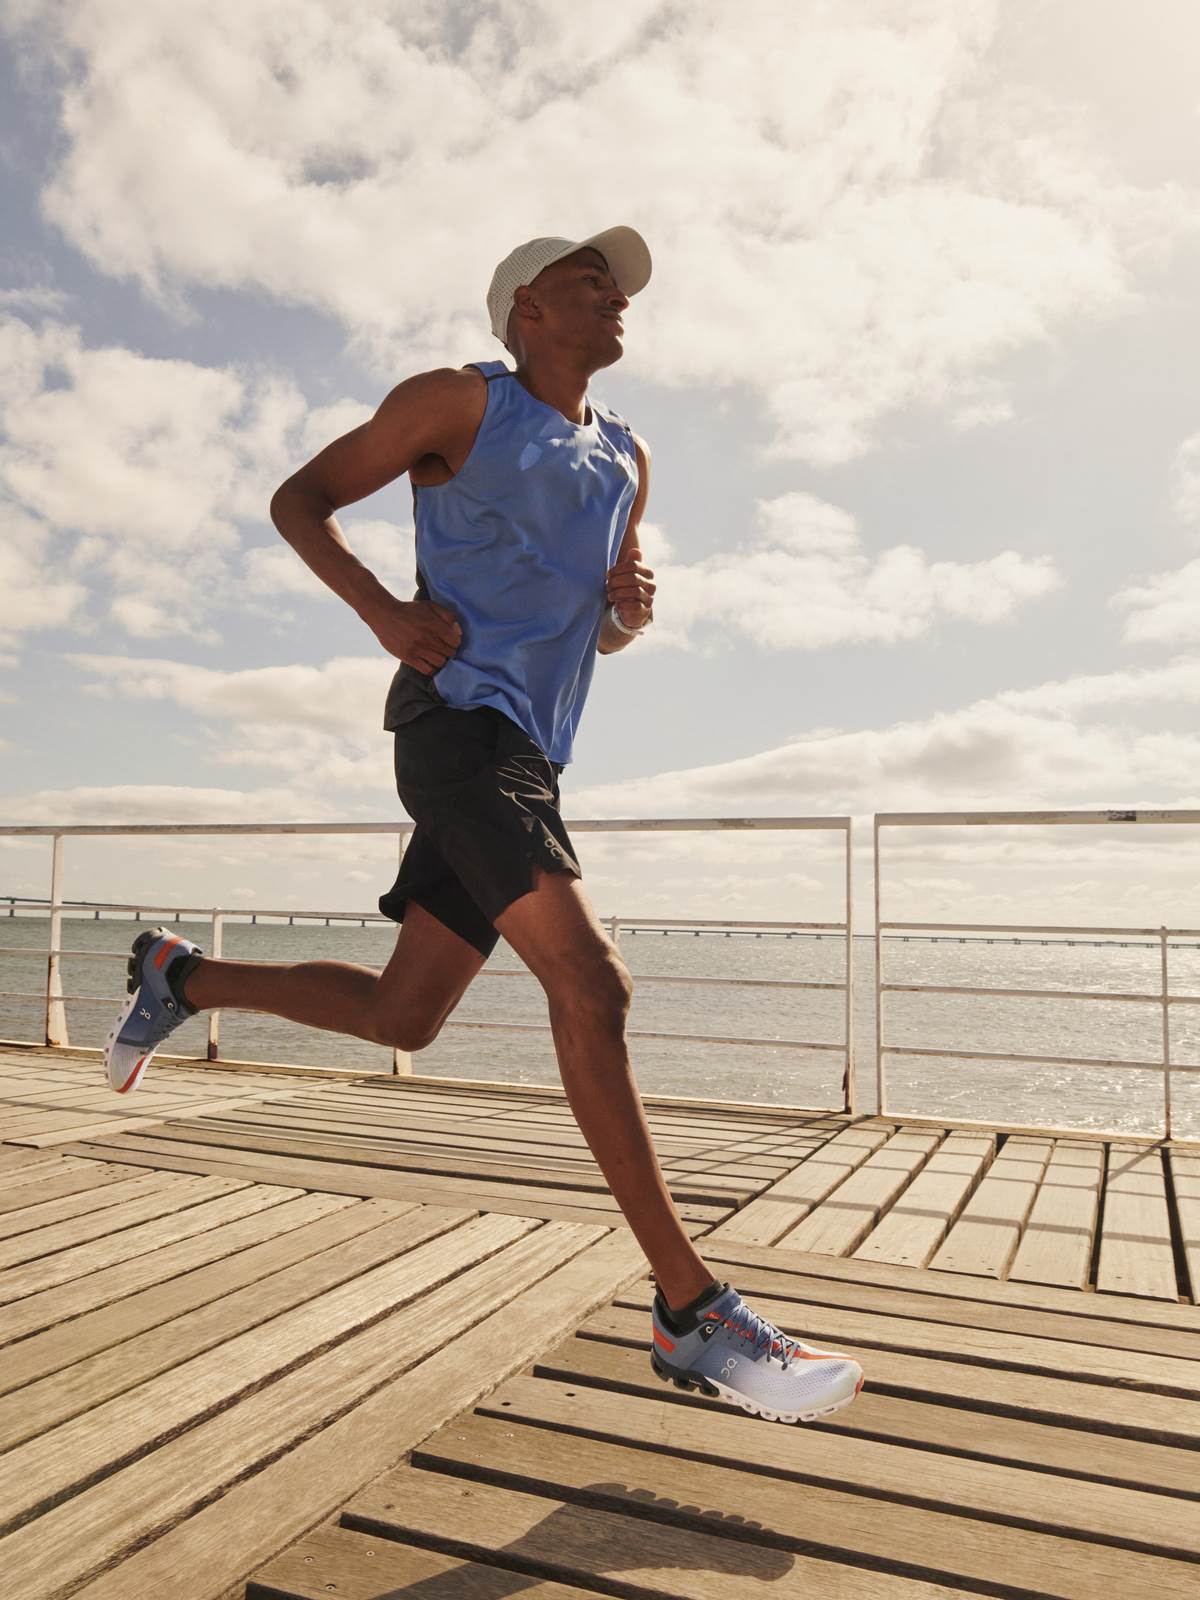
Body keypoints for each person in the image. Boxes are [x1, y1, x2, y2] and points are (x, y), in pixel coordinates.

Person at [102, 227, 864, 1424]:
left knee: (403, 1015)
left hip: (532, 760)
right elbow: (299, 499)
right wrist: (383, 612)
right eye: (586, 280)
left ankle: (181, 977)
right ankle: (691, 1311)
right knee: (593, 986)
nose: (614, 295)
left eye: (618, 286)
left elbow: (598, 628)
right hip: (457, 729)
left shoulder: (628, 457)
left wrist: (626, 616)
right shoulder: (459, 402)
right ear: (524, 309)